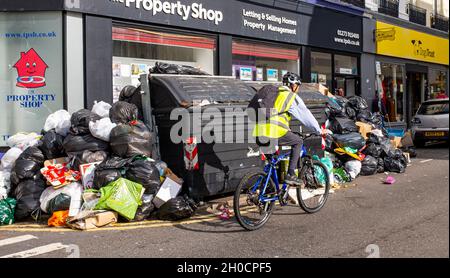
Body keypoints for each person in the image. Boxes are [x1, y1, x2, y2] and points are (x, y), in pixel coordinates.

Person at [253, 72, 322, 185]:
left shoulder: (273, 94)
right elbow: (306, 115)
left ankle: (269, 190)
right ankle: (290, 174)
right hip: (274, 132)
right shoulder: (290, 97)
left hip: (258, 132)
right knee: (298, 142)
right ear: (293, 85)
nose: (298, 89)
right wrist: (319, 130)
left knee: (272, 164)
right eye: (298, 86)